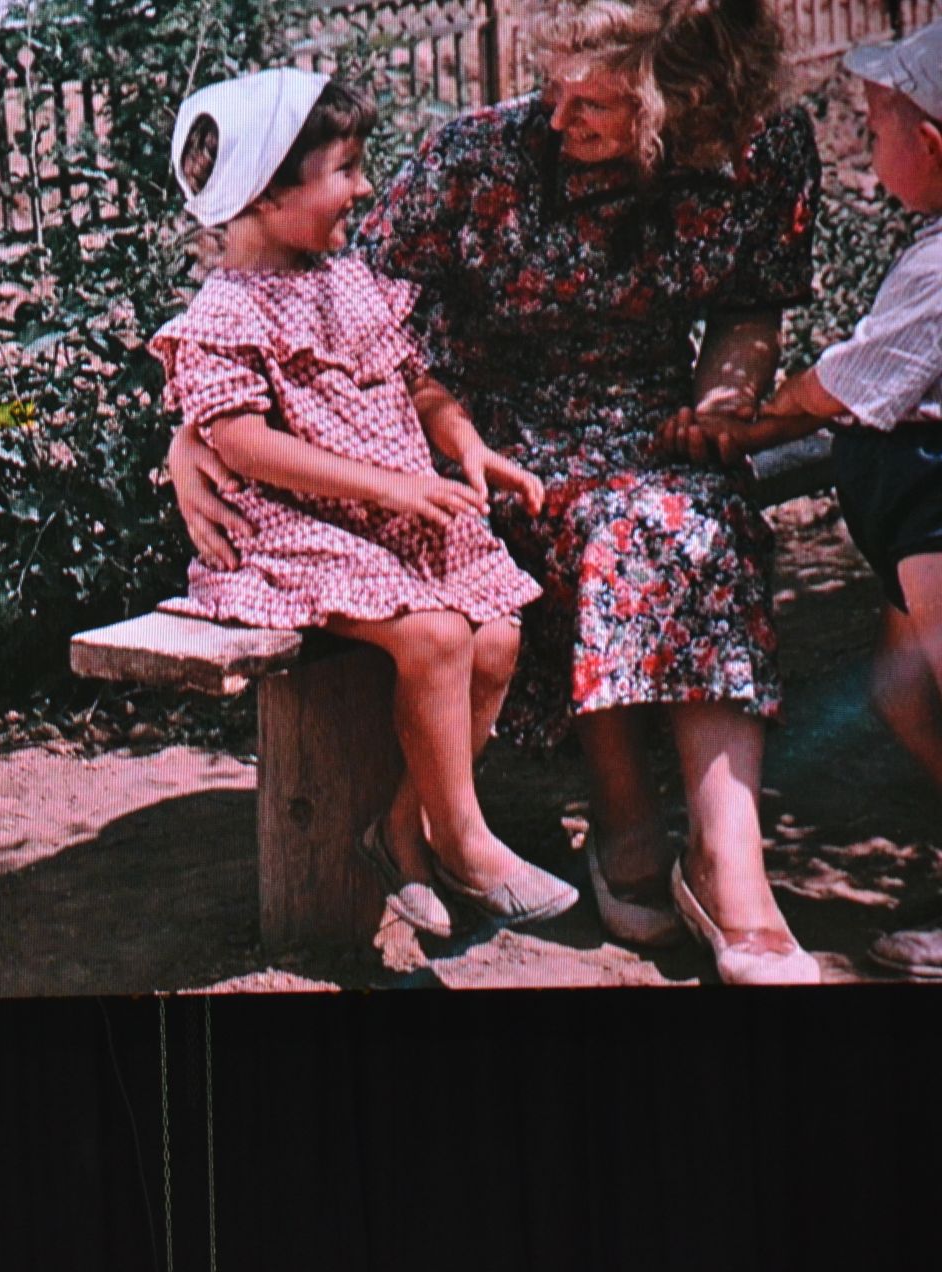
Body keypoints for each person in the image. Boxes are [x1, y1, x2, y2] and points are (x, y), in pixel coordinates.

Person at [168, 0, 822, 983]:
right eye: (551, 91)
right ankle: (626, 819)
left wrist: (724, 404)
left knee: (696, 515)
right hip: (495, 428)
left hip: (638, 420)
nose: (555, 122)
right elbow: (307, 302)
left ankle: (729, 868)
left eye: (593, 106)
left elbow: (747, 310)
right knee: (623, 524)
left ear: (678, 110)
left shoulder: (757, 154)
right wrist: (191, 438)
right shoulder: (481, 157)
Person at [150, 67, 575, 938]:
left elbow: (417, 385)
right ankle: (463, 839)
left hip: (386, 521)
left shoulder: (347, 278)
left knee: (494, 633)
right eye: (344, 169)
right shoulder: (226, 310)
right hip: (294, 529)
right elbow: (237, 440)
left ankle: (401, 828)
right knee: (432, 633)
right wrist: (392, 486)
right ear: (265, 196)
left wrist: (464, 445)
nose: (365, 186)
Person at [665, 21, 942, 977]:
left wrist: (754, 423)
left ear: (932, 146)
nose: (866, 151)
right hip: (911, 517)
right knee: (902, 697)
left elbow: (845, 381)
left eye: (875, 130)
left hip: (937, 514)